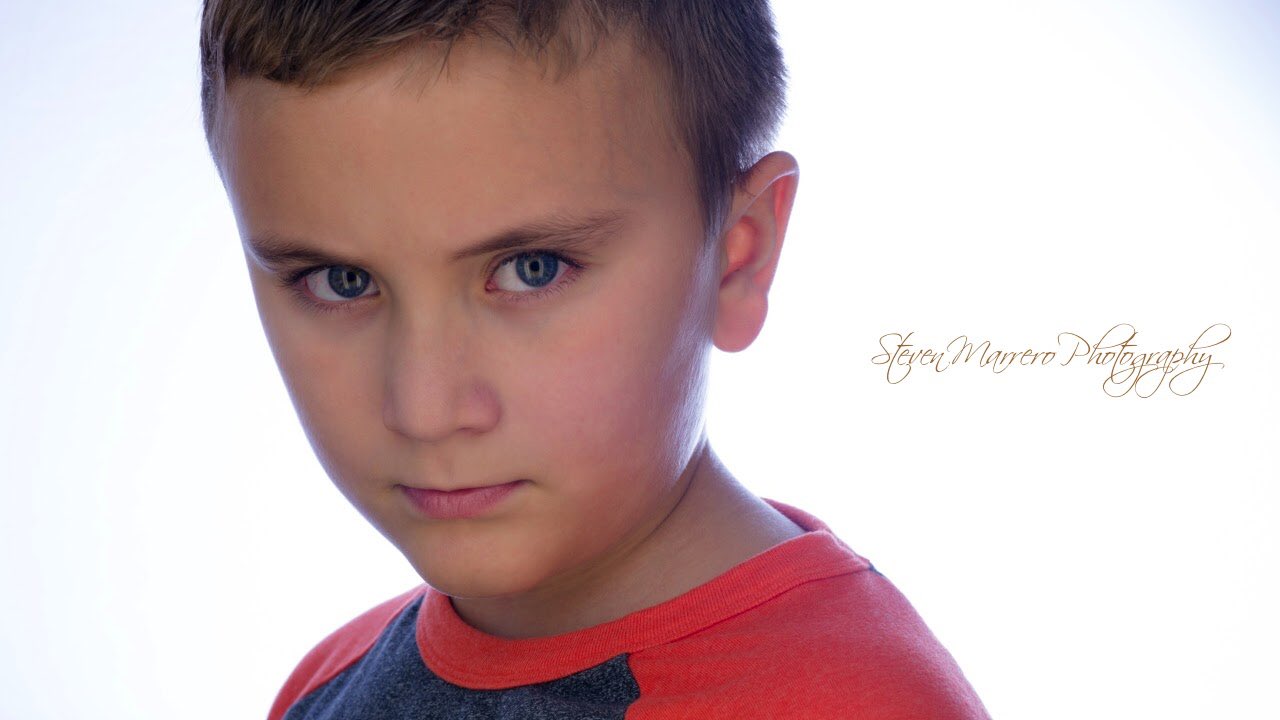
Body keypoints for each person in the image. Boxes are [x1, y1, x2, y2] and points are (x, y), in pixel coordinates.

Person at [200, 1, 991, 717]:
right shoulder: (322, 692)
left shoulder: (858, 705)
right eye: (340, 282)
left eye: (531, 269)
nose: (425, 408)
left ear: (737, 256)